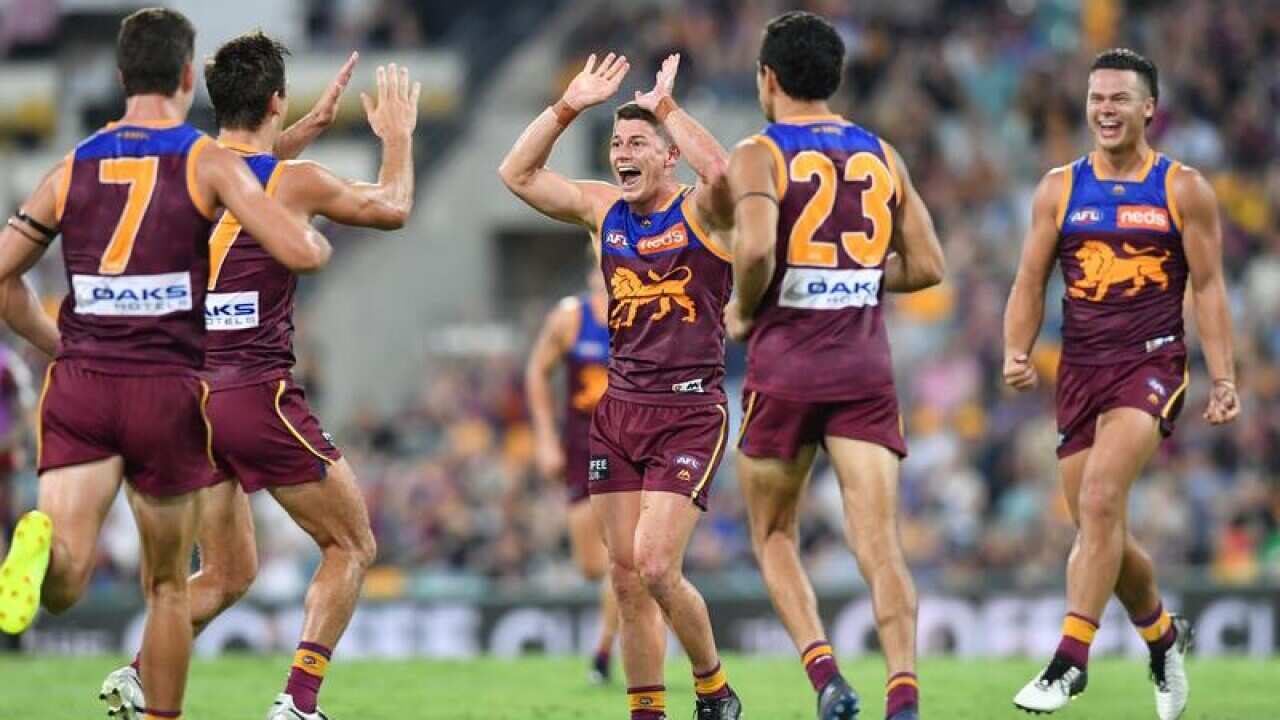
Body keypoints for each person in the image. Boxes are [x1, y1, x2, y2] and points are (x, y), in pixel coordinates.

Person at [0, 8, 331, 720]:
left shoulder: (73, 164)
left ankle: (41, 551)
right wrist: (314, 235)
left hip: (83, 383)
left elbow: (3, 278)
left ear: (121, 78)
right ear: (188, 77)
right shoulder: (202, 159)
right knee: (168, 588)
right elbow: (292, 239)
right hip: (166, 391)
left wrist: (60, 342)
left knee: (64, 578)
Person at [96, 31, 418, 720]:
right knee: (350, 543)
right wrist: (396, 135)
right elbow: (391, 207)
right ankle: (298, 703)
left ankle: (137, 673)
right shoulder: (291, 182)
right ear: (276, 99)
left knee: (230, 573)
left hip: (183, 400)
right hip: (251, 391)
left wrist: (298, 131)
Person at [500, 52, 740, 720]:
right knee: (627, 581)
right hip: (619, 410)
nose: (621, 154)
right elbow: (515, 173)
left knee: (658, 566)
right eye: (615, 144)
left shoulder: (704, 215)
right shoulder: (604, 210)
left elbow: (722, 170)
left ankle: (714, 686)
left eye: (637, 144)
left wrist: (665, 107)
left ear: (669, 159)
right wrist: (568, 106)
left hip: (690, 411)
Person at [1005, 48, 1239, 719]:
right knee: (1098, 525)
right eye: (1097, 98)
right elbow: (1028, 280)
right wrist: (1014, 350)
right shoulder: (1058, 188)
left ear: (1148, 109)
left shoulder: (1182, 188)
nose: (1105, 110)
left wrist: (1224, 378)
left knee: (1104, 497)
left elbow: (1212, 287)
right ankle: (1165, 640)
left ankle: (1068, 662)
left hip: (1151, 363)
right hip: (1080, 371)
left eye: (1119, 99)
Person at [724, 11, 944, 720]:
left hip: (785, 367)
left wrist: (742, 309)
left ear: (769, 78)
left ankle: (827, 678)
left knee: (773, 534)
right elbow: (929, 265)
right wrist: (848, 272)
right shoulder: (883, 153)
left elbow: (755, 250)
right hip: (862, 370)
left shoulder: (759, 152)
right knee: (880, 545)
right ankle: (903, 695)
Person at [525, 263, 618, 683]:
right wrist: (545, 437)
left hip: (630, 444)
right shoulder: (570, 318)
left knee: (627, 560)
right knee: (592, 566)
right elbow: (536, 372)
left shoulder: (646, 315)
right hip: (582, 446)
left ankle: (603, 651)